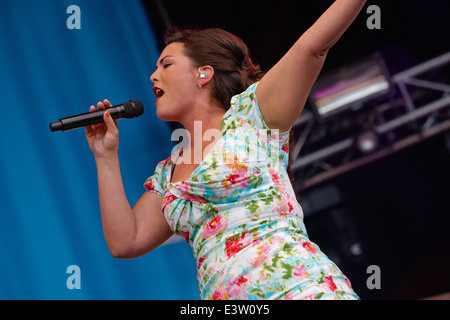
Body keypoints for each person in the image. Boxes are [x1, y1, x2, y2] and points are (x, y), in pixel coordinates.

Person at [85, 0, 366, 300]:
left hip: (300, 291)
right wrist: (105, 154)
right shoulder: (168, 175)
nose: (153, 76)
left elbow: (313, 47)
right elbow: (126, 241)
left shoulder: (253, 115)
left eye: (166, 64)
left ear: (203, 74)